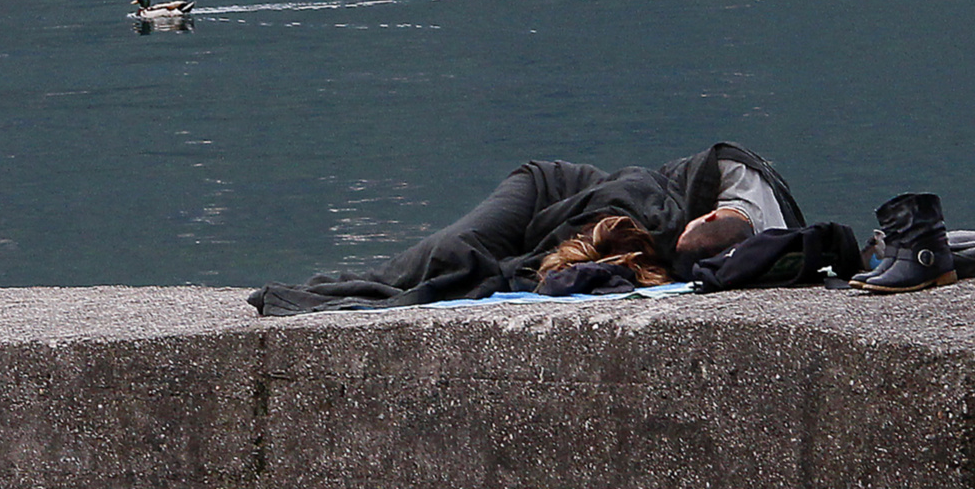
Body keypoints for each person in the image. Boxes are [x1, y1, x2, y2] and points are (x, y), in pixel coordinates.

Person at [247, 141, 803, 315]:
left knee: (480, 275)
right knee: (449, 254)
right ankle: (331, 287)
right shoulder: (735, 181)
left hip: (595, 236)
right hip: (553, 191)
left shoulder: (761, 251)